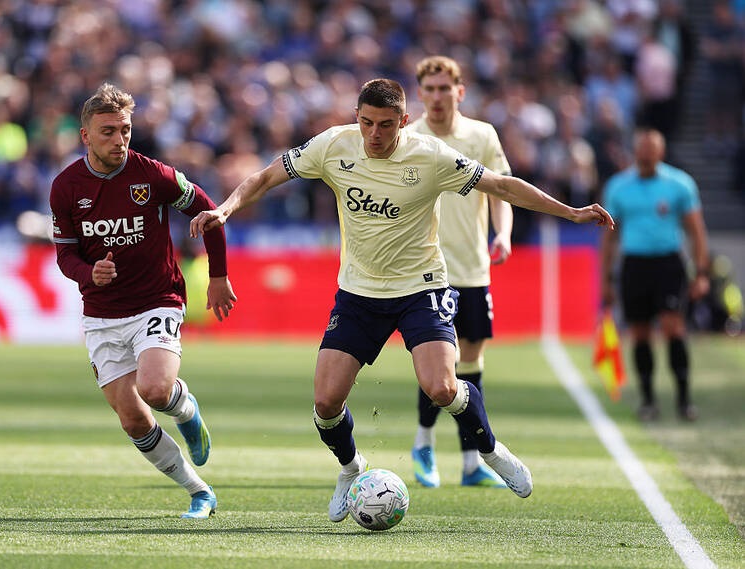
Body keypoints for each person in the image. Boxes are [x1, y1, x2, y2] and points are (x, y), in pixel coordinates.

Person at [190, 78, 613, 523]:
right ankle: (351, 468)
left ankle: (491, 451)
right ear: (356, 117)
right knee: (326, 402)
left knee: (441, 387)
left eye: (386, 125)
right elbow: (264, 177)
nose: (374, 134)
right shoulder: (333, 145)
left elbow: (501, 186)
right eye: (367, 122)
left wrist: (570, 212)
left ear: (404, 121)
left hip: (421, 288)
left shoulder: (430, 156)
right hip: (358, 293)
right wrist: (225, 209)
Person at [49, 83, 237, 519]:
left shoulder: (153, 175)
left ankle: (184, 408)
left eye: (125, 130)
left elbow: (209, 212)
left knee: (154, 389)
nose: (119, 140)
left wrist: (218, 276)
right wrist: (88, 273)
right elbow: (65, 254)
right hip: (102, 314)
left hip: (157, 299)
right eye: (108, 132)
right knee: (132, 419)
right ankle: (199, 492)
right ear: (86, 136)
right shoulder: (65, 187)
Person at [405, 56, 513, 490]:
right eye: (429, 89)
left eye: (443, 88)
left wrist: (503, 233)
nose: (436, 97)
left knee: (471, 360)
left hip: (473, 266)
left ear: (459, 92)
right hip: (428, 269)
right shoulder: (409, 137)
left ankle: (471, 462)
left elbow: (501, 191)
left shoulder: (481, 135)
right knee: (439, 361)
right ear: (420, 94)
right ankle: (424, 443)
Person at [600, 127, 709, 422]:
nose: (646, 156)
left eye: (652, 150)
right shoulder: (618, 187)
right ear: (636, 152)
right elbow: (609, 238)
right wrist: (606, 278)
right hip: (635, 265)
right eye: (642, 150)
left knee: (673, 327)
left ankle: (684, 399)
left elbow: (696, 231)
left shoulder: (679, 184)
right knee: (640, 332)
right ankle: (648, 400)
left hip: (668, 264)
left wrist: (701, 272)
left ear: (661, 152)